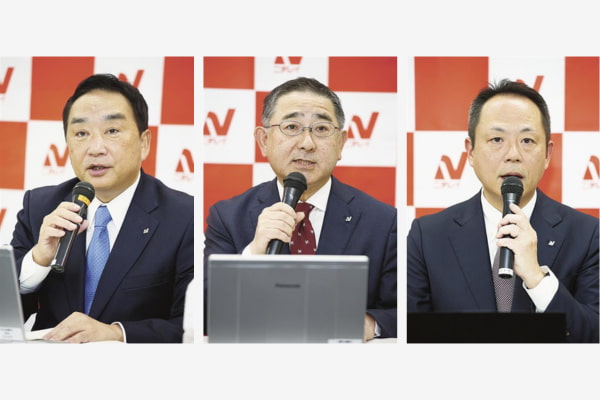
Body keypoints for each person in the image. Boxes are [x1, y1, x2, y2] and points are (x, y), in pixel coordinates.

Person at [204, 77, 397, 341]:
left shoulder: (383, 221)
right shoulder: (228, 217)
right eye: (292, 127)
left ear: (341, 143)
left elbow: (404, 310)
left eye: (321, 128)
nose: (307, 143)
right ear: (264, 140)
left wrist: (369, 324)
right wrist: (253, 254)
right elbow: (204, 311)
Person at [407, 79, 599, 343]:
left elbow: (593, 335)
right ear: (470, 152)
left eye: (527, 140)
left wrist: (537, 278)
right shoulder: (428, 236)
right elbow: (412, 333)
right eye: (497, 139)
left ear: (547, 154)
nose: (513, 154)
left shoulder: (587, 234)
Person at [10, 73, 194, 343]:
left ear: (144, 143)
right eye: (81, 134)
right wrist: (38, 260)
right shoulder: (39, 207)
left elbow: (188, 328)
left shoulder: (184, 216)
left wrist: (116, 333)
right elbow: (7, 318)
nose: (95, 148)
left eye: (112, 131)